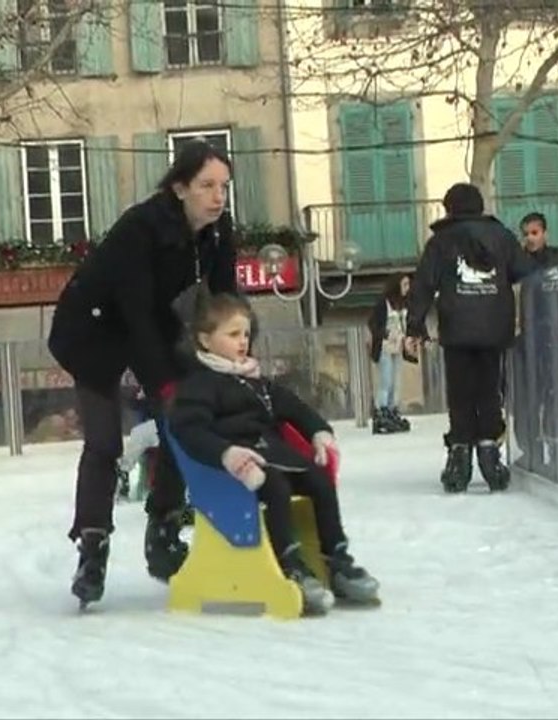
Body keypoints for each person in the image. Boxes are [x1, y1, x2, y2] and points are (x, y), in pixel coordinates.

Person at [48, 139, 242, 606]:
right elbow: (134, 313)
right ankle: (92, 551)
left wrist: (232, 355)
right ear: (180, 187)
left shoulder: (218, 231)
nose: (217, 197)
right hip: (93, 328)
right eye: (206, 186)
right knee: (104, 443)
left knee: (182, 422)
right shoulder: (142, 227)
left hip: (155, 324)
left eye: (224, 187)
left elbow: (225, 301)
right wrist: (164, 382)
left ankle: (164, 526)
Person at [169, 292, 379, 614]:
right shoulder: (200, 385)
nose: (243, 342)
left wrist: (319, 433)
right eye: (233, 334)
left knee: (319, 480)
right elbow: (189, 431)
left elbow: (296, 408)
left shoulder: (256, 382)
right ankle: (289, 564)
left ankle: (336, 560)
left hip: (273, 456)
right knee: (275, 486)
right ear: (205, 341)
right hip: (232, 472)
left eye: (246, 334)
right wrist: (227, 454)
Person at [405, 183, 539, 493]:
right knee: (489, 390)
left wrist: (415, 325)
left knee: (461, 392)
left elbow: (423, 283)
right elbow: (524, 271)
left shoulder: (441, 241)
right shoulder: (502, 236)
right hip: (495, 327)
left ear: (450, 207)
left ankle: (460, 453)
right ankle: (490, 449)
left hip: (457, 328)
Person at [366, 273, 413, 435]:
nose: (407, 288)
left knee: (396, 380)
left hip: (398, 347)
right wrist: (386, 334)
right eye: (405, 284)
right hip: (386, 346)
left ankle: (393, 408)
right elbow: (373, 323)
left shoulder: (404, 304)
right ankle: (382, 410)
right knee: (385, 380)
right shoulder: (384, 303)